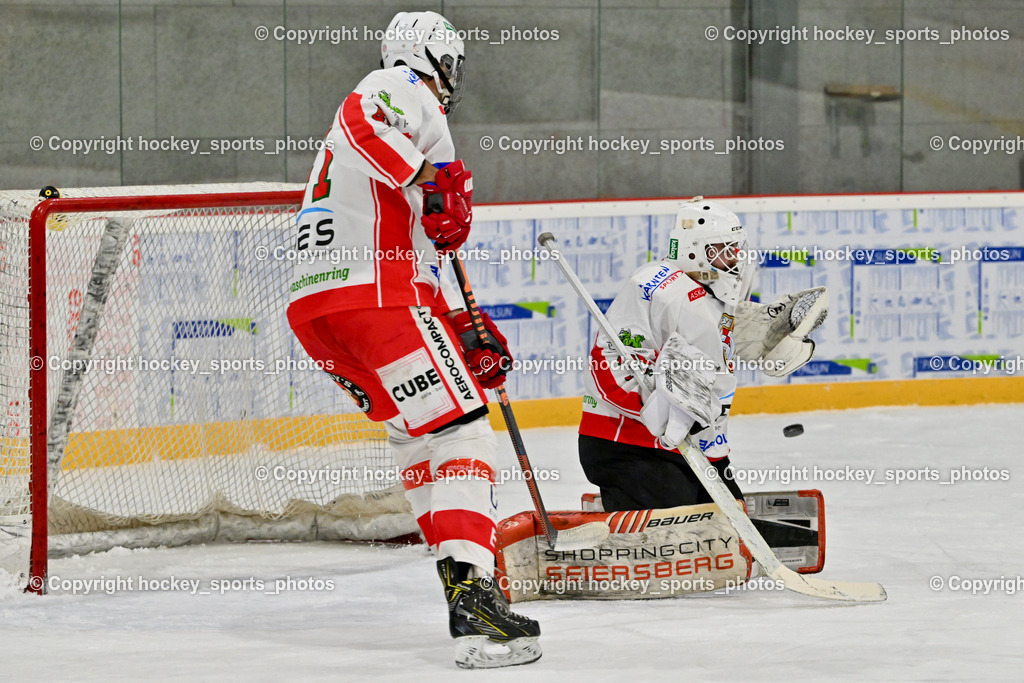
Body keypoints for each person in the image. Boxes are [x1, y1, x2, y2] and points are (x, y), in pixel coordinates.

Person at [286, 11, 540, 669]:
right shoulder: (399, 86)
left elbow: (424, 241)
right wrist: (431, 181)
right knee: (463, 429)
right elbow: (361, 119)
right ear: (436, 57)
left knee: (414, 431)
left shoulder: (414, 127)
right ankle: (474, 588)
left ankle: (463, 586)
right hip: (374, 296)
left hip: (324, 312)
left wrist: (462, 328)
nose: (456, 78)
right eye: (453, 63)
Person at [579, 197, 828, 513]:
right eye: (722, 249)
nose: (734, 257)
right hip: (624, 446)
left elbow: (715, 378)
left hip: (685, 447)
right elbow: (607, 361)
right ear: (693, 249)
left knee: (719, 517)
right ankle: (616, 519)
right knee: (683, 524)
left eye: (735, 247)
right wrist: (649, 405)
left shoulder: (720, 291)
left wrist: (718, 459)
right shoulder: (655, 287)